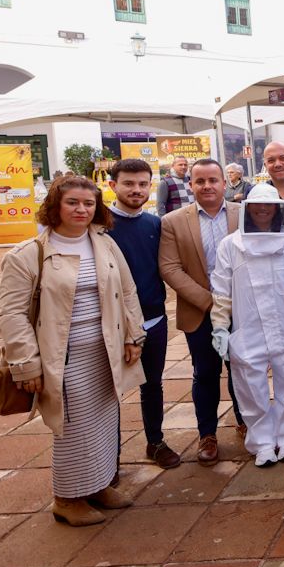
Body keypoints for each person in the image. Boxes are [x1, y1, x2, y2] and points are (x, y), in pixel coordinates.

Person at [0, 176, 145, 525]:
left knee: (104, 421)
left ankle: (97, 485)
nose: (82, 209)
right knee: (74, 428)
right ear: (55, 206)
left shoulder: (104, 244)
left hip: (105, 351)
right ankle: (66, 498)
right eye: (73, 203)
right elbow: (12, 315)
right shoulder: (27, 255)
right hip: (62, 357)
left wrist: (133, 336)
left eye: (89, 203)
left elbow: (127, 292)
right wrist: (27, 364)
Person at [210, 183, 284, 466]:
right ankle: (262, 443)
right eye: (258, 205)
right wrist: (220, 326)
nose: (264, 209)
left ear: (279, 209)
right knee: (250, 386)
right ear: (248, 209)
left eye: (270, 205)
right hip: (248, 328)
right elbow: (221, 290)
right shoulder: (230, 245)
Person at [159, 158, 244, 466]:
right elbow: (170, 268)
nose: (207, 186)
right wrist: (211, 302)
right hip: (200, 311)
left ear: (224, 183)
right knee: (205, 373)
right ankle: (207, 434)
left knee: (243, 371)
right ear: (191, 185)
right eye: (200, 181)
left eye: (213, 180)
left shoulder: (243, 214)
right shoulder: (173, 221)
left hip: (242, 309)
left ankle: (246, 421)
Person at [107, 158, 180, 469]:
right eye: (128, 183)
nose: (136, 190)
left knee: (152, 384)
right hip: (113, 323)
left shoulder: (154, 225)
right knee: (109, 392)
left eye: (142, 184)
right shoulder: (99, 226)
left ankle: (155, 441)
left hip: (154, 318)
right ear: (113, 185)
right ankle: (109, 458)